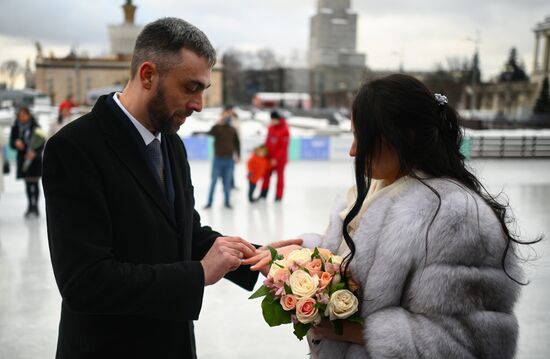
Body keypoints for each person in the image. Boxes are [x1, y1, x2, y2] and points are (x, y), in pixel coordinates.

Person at [42, 17, 299, 359]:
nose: (199, 105)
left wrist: (257, 258)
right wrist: (198, 275)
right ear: (148, 75)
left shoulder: (171, 143)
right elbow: (85, 282)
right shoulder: (75, 148)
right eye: (190, 88)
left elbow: (185, 233)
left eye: (203, 90)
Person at [246, 74, 538, 358]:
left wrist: (353, 330)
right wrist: (303, 262)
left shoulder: (455, 216)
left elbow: (474, 344)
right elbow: (363, 267)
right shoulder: (377, 191)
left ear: (404, 136)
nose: (352, 151)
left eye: (362, 137)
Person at [10, 106, 44, 218]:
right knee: (27, 185)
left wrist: (34, 152)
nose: (22, 117)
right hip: (23, 160)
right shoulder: (16, 128)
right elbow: (11, 143)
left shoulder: (36, 127)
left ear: (29, 115)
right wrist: (16, 143)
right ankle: (30, 206)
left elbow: (42, 142)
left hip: (34, 160)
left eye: (24, 115)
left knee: (35, 183)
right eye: (20, 116)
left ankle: (36, 207)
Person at [204, 106, 240, 209]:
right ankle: (209, 202)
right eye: (224, 117)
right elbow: (209, 133)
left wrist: (238, 155)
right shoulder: (217, 128)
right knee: (214, 182)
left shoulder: (233, 129)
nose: (226, 119)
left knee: (227, 183)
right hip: (218, 160)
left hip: (229, 160)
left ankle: (227, 202)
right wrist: (217, 123)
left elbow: (237, 143)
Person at [260, 110, 289, 201]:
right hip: (269, 157)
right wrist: (264, 151)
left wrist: (276, 159)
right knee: (266, 176)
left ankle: (278, 196)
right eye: (271, 120)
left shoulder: (285, 130)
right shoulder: (271, 128)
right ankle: (263, 194)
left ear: (278, 119)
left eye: (274, 120)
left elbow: (283, 148)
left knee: (280, 178)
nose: (272, 121)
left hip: (280, 160)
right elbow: (267, 142)